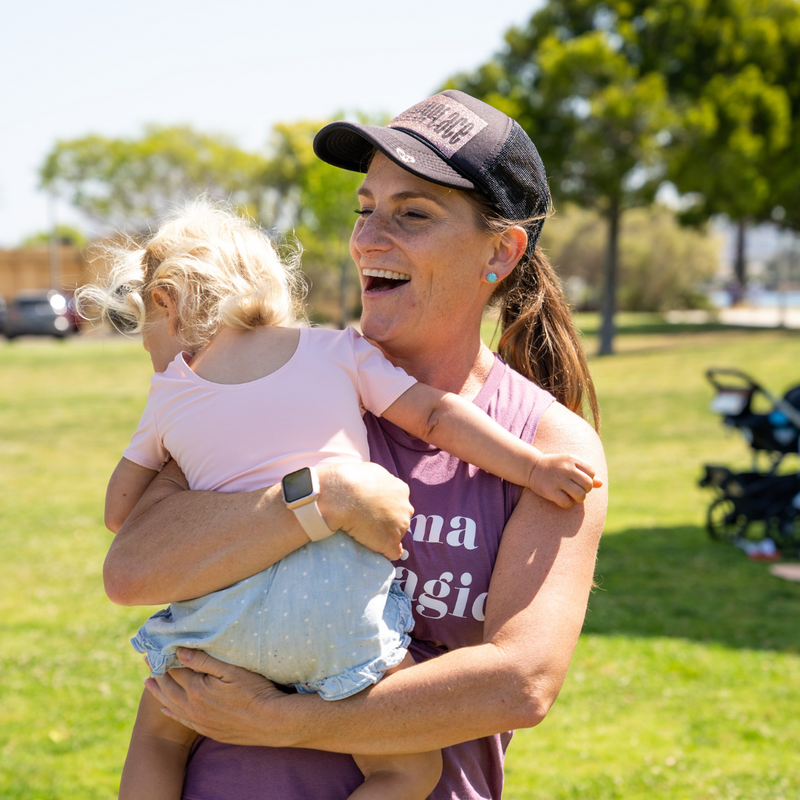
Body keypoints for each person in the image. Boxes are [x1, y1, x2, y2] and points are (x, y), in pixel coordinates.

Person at [102, 90, 608, 800]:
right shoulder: (277, 384)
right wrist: (324, 500)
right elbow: (131, 572)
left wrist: (287, 719)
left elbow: (519, 683)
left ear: (501, 249)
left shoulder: (544, 443)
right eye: (366, 208)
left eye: (413, 214)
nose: (370, 237)